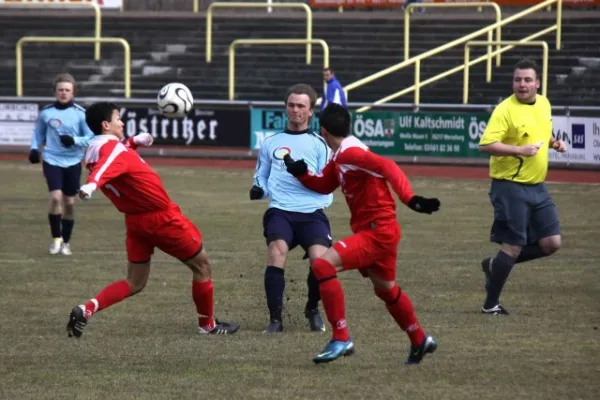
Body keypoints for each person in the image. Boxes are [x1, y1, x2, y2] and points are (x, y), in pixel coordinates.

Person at [65, 102, 239, 338]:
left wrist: (135, 142)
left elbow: (116, 156)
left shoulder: (96, 148)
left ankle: (86, 309)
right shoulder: (111, 152)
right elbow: (109, 164)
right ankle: (207, 326)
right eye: (118, 118)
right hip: (160, 219)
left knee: (135, 282)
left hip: (136, 222)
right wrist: (91, 185)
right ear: (106, 125)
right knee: (202, 266)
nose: (122, 122)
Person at [284, 103, 440, 365]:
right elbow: (325, 184)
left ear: (322, 130)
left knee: (322, 265)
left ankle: (341, 337)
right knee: (386, 290)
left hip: (377, 232)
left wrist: (410, 199)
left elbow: (387, 165)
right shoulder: (341, 155)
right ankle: (419, 339)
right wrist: (302, 173)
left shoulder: (350, 154)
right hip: (382, 230)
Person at [478, 58, 567, 315]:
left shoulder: (544, 104)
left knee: (551, 243)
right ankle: (490, 304)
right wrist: (520, 150)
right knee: (513, 244)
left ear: (537, 83)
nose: (522, 84)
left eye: (528, 80)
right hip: (510, 186)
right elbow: (485, 145)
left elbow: (540, 132)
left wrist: (553, 143)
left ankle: (496, 265)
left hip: (537, 186)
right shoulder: (505, 109)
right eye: (518, 79)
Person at [250, 83, 333, 334]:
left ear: (310, 112)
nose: (295, 110)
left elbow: (326, 185)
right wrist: (258, 189)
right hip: (280, 211)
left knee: (321, 262)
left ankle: (312, 309)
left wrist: (305, 176)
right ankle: (275, 320)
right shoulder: (271, 143)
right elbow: (261, 177)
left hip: (312, 214)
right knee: (277, 253)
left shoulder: (320, 145)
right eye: (291, 105)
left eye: (301, 106)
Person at [28, 73, 95, 255]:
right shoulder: (46, 113)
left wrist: (73, 140)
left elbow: (90, 139)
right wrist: (34, 148)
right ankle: (56, 240)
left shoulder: (81, 114)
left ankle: (66, 242)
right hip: (52, 159)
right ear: (55, 92)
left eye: (67, 90)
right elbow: (38, 134)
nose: (63, 93)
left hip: (73, 161)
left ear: (73, 93)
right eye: (60, 90)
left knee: (69, 202)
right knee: (56, 197)